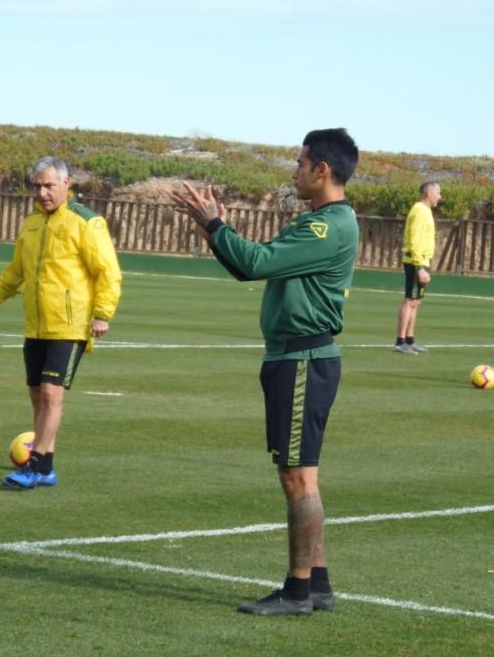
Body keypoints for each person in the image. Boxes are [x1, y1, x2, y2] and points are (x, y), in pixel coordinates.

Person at [172, 128, 359, 616]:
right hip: (295, 359)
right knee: (302, 477)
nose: (294, 171)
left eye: (300, 163)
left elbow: (254, 262)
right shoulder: (321, 222)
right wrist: (214, 229)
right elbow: (246, 265)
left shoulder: (326, 226)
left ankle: (297, 592)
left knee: (297, 477)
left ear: (322, 170)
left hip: (302, 361)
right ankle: (317, 584)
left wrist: (215, 224)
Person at [0, 156, 122, 489]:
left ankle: (35, 463)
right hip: (37, 325)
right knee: (36, 395)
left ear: (66, 184)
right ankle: (46, 468)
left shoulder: (87, 222)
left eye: (49, 186)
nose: (42, 193)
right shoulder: (30, 223)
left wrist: (102, 313)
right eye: (37, 186)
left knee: (51, 393)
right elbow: (17, 269)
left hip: (70, 324)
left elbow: (108, 272)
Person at [394, 181, 441, 354]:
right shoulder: (419, 210)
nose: (440, 196)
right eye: (438, 192)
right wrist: (420, 266)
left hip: (422, 262)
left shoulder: (425, 210)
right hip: (415, 262)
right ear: (429, 193)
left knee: (416, 302)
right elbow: (413, 240)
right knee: (410, 300)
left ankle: (410, 340)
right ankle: (400, 342)